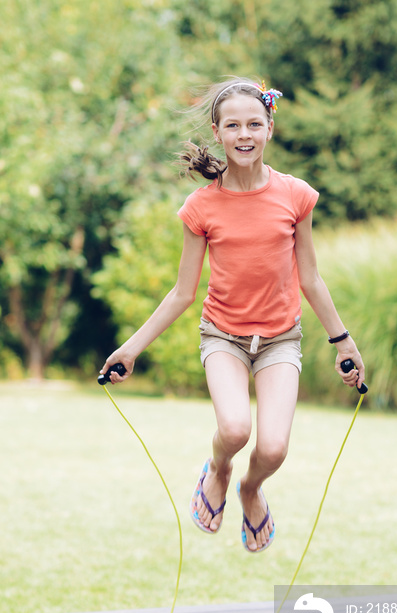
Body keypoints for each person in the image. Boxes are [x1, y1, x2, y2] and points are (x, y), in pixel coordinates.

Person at [100, 77, 365, 553]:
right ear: (218, 133)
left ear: (269, 129)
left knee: (273, 449)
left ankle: (250, 488)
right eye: (234, 125)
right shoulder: (201, 207)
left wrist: (342, 340)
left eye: (254, 124)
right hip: (223, 336)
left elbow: (311, 278)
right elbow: (183, 292)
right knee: (236, 429)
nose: (245, 134)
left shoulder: (296, 196)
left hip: (281, 339)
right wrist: (131, 348)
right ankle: (220, 468)